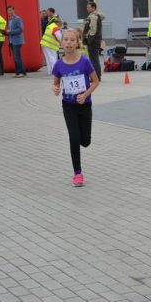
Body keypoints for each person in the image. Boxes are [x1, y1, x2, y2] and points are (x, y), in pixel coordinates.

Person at [52, 28, 100, 187]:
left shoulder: (84, 61)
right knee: (74, 138)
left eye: (72, 40)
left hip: (84, 105)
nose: (68, 43)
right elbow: (55, 83)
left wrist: (85, 95)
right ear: (61, 43)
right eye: (66, 40)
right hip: (69, 106)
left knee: (85, 141)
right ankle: (77, 173)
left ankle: (80, 140)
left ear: (77, 43)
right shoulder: (58, 64)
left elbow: (95, 81)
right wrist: (55, 89)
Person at [83, 1, 104, 80]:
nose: (87, 9)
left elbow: (93, 30)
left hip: (93, 41)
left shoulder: (93, 17)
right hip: (95, 40)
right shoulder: (94, 16)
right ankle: (97, 76)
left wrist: (89, 40)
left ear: (93, 8)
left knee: (94, 60)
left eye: (89, 7)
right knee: (94, 59)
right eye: (87, 7)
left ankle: (96, 77)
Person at [5, 5, 26, 77]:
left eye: (11, 10)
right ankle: (18, 72)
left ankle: (22, 72)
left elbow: (20, 29)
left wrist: (11, 31)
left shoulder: (17, 19)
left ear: (14, 10)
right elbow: (11, 30)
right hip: (11, 41)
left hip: (17, 41)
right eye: (8, 10)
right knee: (15, 58)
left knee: (17, 57)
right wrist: (6, 32)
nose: (10, 12)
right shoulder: (10, 20)